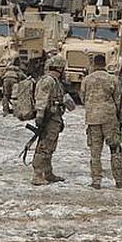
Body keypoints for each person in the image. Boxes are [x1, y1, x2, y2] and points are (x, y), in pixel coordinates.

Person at [80, 54, 122, 189]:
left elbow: (82, 98)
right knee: (115, 149)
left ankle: (96, 180)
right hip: (109, 119)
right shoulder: (112, 79)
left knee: (95, 151)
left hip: (93, 119)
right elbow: (120, 102)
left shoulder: (87, 80)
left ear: (94, 64)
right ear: (105, 63)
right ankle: (119, 179)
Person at [32, 54, 68, 186]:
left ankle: (48, 173)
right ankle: (37, 175)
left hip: (54, 118)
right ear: (59, 68)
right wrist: (40, 115)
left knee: (50, 146)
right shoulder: (48, 81)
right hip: (48, 118)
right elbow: (41, 99)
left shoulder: (55, 81)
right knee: (43, 147)